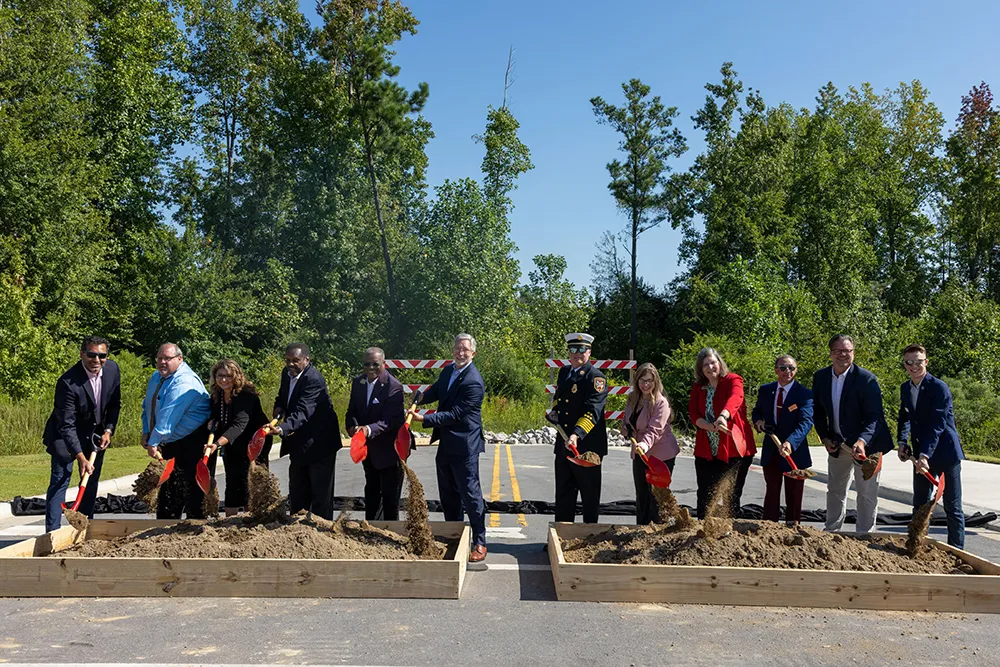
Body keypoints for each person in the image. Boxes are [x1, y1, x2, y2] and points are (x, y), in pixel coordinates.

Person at [409, 334, 488, 562]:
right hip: (446, 443)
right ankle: (455, 536)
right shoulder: (448, 370)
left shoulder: (473, 381)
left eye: (464, 350)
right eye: (456, 349)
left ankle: (480, 542)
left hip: (465, 446)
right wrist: (420, 398)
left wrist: (423, 418)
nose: (460, 353)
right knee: (448, 494)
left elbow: (455, 415)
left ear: (473, 353)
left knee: (470, 495)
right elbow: (436, 391)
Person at [812, 334, 894, 533]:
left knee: (866, 493)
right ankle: (832, 531)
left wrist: (862, 441)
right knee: (835, 490)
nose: (843, 355)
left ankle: (864, 535)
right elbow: (818, 411)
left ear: (853, 353)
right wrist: (824, 437)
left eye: (847, 351)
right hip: (838, 444)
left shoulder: (866, 379)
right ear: (831, 354)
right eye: (838, 351)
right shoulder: (821, 377)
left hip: (867, 446)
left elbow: (875, 416)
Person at [42, 336, 121, 532]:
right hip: (63, 436)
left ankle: (85, 528)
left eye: (102, 356)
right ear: (82, 354)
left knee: (90, 480)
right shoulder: (68, 382)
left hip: (95, 435)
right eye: (91, 355)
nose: (96, 360)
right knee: (61, 480)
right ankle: (51, 534)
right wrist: (80, 457)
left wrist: (109, 430)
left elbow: (114, 405)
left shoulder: (112, 370)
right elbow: (66, 425)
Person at [896, 344, 965, 548]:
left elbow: (937, 424)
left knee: (952, 507)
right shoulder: (905, 388)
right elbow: (905, 416)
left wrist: (925, 455)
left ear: (926, 362)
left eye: (918, 361)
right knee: (919, 505)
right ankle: (916, 546)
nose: (914, 366)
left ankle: (957, 551)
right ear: (905, 364)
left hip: (945, 454)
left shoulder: (938, 387)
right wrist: (902, 442)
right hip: (921, 454)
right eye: (909, 362)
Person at [267, 342, 342, 519]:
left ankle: (321, 533)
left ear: (306, 360)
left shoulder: (314, 379)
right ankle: (297, 529)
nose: (291, 364)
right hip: (299, 440)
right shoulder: (287, 374)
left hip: (320, 443)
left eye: (296, 360)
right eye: (287, 360)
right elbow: (283, 397)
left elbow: (303, 410)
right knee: (298, 488)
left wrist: (281, 428)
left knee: (320, 494)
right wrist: (279, 408)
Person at [142, 343, 212, 519]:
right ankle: (164, 532)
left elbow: (168, 418)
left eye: (168, 358)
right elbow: (148, 406)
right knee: (169, 491)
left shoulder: (184, 382)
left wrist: (154, 442)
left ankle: (196, 537)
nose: (162, 362)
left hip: (193, 442)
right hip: (171, 441)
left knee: (192, 492)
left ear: (179, 359)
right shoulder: (156, 377)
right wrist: (146, 431)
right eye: (160, 358)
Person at [688, 347, 756, 520]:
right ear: (700, 369)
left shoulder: (733, 380)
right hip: (707, 448)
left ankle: (728, 534)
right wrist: (707, 426)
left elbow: (736, 399)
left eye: (713, 362)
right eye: (705, 365)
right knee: (705, 493)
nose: (710, 367)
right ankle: (703, 530)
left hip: (734, 448)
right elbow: (693, 413)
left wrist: (723, 416)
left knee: (730, 495)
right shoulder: (699, 386)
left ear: (719, 363)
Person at [548, 333, 609, 524]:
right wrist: (554, 413)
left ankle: (588, 537)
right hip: (564, 443)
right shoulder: (565, 372)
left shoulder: (596, 378)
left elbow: (593, 412)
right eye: (573, 349)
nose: (577, 354)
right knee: (564, 493)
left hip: (586, 446)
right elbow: (562, 400)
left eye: (582, 349)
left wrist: (576, 434)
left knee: (589, 496)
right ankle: (562, 534)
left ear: (589, 352)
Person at [752, 354, 815, 525]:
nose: (787, 371)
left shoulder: (804, 395)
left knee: (794, 494)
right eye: (783, 368)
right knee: (772, 490)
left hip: (794, 452)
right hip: (772, 450)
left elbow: (806, 422)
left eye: (791, 368)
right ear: (776, 370)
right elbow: (757, 412)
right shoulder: (766, 390)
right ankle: (769, 527)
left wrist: (790, 443)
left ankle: (792, 528)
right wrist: (758, 422)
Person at [346, 347, 406, 521]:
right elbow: (352, 411)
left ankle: (390, 536)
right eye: (367, 364)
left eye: (375, 364)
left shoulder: (393, 387)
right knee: (371, 492)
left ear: (384, 364)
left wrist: (367, 429)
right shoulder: (358, 383)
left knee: (390, 499)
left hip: (389, 451)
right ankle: (370, 529)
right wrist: (351, 426)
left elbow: (389, 421)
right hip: (369, 451)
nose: (371, 368)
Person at [209, 359, 270, 516]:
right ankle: (230, 522)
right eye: (220, 375)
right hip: (232, 442)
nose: (223, 379)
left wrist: (217, 444)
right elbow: (217, 415)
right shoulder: (217, 395)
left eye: (228, 376)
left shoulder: (246, 396)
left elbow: (239, 425)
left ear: (236, 376)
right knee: (233, 480)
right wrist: (212, 422)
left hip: (254, 443)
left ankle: (253, 520)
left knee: (250, 482)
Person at [620, 363, 678, 525]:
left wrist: (644, 445)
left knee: (656, 497)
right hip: (639, 452)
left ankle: (656, 533)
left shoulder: (661, 402)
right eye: (642, 380)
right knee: (642, 494)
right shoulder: (633, 398)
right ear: (637, 381)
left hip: (660, 455)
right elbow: (627, 420)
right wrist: (626, 430)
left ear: (655, 382)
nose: (645, 385)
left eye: (649, 381)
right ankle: (641, 530)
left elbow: (655, 429)